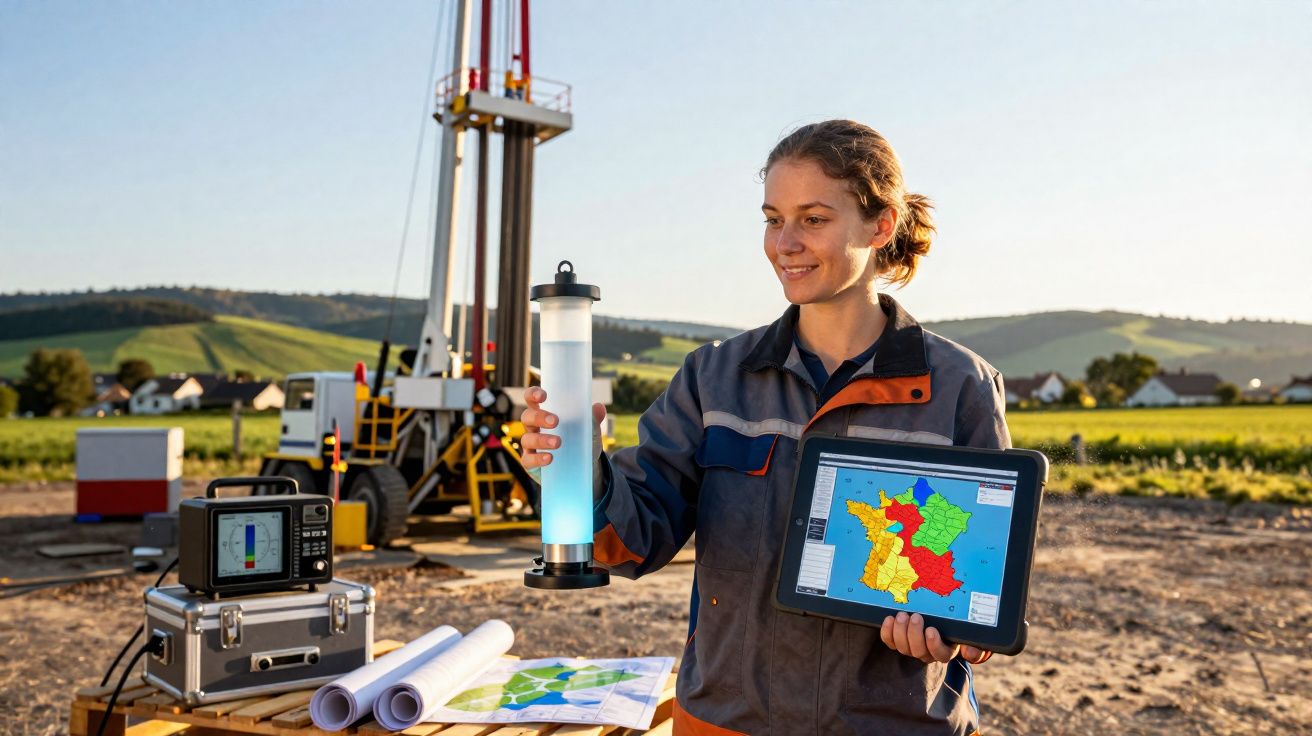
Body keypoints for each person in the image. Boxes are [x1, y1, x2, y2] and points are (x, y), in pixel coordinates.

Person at [519, 119, 1010, 735]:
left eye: (813, 219)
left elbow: (983, 595)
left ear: (881, 225)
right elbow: (633, 539)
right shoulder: (713, 379)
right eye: (773, 219)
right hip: (726, 722)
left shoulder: (960, 386)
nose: (785, 243)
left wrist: (954, 637)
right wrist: (577, 474)